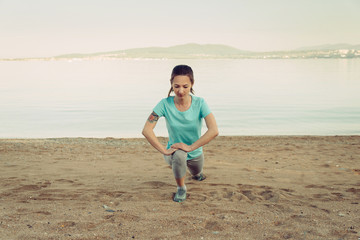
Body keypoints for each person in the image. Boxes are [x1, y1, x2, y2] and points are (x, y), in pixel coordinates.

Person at [142, 64, 219, 202]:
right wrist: (164, 151)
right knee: (179, 153)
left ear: (192, 84)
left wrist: (190, 147)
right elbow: (147, 130)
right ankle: (181, 188)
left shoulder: (200, 103)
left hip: (195, 152)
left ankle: (197, 174)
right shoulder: (164, 104)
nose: (181, 91)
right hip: (174, 152)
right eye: (176, 86)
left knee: (196, 173)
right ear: (171, 84)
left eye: (185, 86)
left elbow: (214, 130)